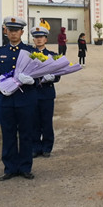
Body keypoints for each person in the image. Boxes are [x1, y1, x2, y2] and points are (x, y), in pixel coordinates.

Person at [0, 16, 38, 181]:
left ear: (22, 32)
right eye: (11, 30)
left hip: (26, 100)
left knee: (25, 134)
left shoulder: (31, 52)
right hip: (6, 101)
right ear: (6, 31)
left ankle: (25, 167)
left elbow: (41, 72)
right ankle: (10, 168)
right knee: (8, 134)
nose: (14, 33)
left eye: (17, 30)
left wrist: (33, 80)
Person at [30, 26, 60, 158]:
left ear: (46, 39)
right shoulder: (28, 55)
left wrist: (52, 77)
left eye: (41, 37)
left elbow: (59, 74)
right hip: (32, 92)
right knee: (34, 122)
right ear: (33, 39)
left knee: (47, 121)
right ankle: (35, 147)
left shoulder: (52, 55)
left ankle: (47, 147)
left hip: (47, 93)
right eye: (36, 37)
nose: (39, 39)